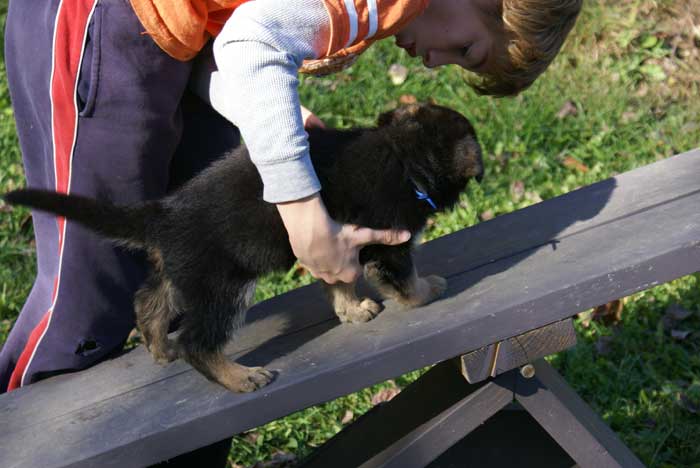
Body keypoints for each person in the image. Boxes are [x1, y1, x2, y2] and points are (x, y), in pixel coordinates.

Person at [0, 0, 581, 464]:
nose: (435, 63)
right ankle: (18, 439)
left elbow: (237, 30)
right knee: (85, 299)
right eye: (467, 49)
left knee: (194, 255)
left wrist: (268, 116)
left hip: (186, 46)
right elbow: (252, 42)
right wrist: (302, 208)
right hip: (103, 23)